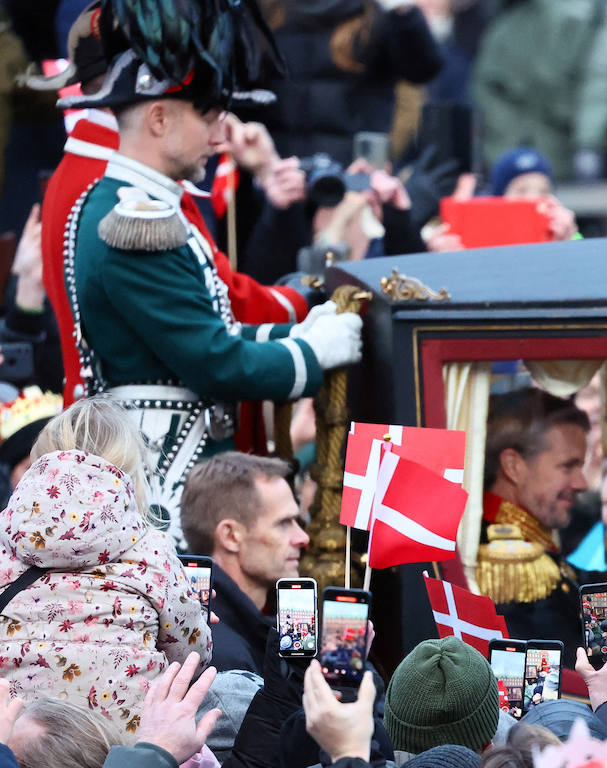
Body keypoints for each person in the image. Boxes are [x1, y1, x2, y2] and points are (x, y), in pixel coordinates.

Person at [56, 17, 363, 544]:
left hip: (176, 461)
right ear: (158, 118)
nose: (222, 133)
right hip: (165, 475)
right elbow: (211, 359)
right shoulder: (134, 220)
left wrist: (295, 334)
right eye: (208, 115)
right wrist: (313, 355)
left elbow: (212, 327)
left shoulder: (145, 207)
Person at [0, 397, 210, 730]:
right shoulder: (149, 548)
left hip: (13, 746)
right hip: (121, 750)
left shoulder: (3, 536)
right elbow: (192, 658)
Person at [476, 389, 607, 657]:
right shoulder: (508, 561)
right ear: (513, 466)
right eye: (568, 466)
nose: (581, 483)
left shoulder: (525, 541)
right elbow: (569, 665)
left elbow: (592, 604)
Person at [257, 0, 442, 162]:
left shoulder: (373, 14)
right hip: (277, 175)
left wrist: (402, 10)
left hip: (354, 176)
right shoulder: (269, 10)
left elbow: (422, 69)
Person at [471, 0, 607, 181]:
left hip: (556, 143)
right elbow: (488, 82)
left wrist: (588, 142)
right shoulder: (513, 11)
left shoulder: (602, 13)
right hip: (507, 142)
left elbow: (601, 81)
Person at [179, 452, 309, 675]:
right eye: (284, 523)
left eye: (297, 521)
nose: (303, 538)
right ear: (231, 536)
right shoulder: (225, 660)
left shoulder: (218, 633)